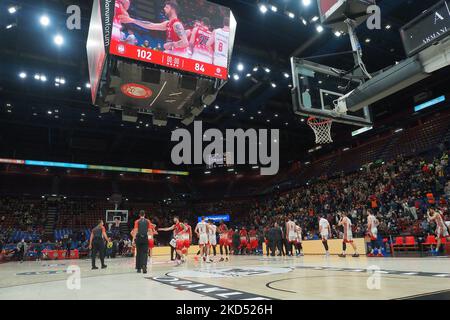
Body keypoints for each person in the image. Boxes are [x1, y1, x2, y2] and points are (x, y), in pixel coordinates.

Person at [119, 1, 189, 57]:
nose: (164, 9)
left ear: (173, 9)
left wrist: (171, 44)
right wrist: (132, 20)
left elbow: (185, 43)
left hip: (180, 55)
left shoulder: (177, 24)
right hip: (173, 53)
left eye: (167, 7)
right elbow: (151, 25)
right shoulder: (168, 23)